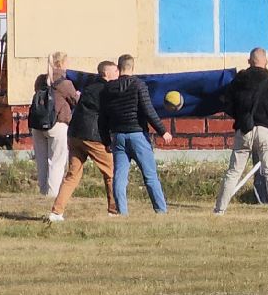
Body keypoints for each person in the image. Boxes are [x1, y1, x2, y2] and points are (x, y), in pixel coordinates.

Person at [215, 48, 268, 217]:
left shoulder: (238, 81)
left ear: (249, 61)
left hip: (244, 130)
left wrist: (241, 117)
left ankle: (219, 210)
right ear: (266, 62)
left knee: (233, 172)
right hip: (267, 131)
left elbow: (226, 103)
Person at [47, 60, 120, 222]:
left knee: (72, 175)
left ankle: (56, 212)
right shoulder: (108, 90)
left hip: (74, 134)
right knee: (111, 173)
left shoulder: (89, 88)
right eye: (115, 71)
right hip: (92, 136)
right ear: (106, 74)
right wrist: (109, 140)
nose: (118, 74)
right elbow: (107, 116)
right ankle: (114, 210)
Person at [102, 54, 172, 215]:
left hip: (118, 136)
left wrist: (107, 139)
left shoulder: (109, 88)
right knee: (150, 175)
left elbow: (104, 116)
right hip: (137, 134)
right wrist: (163, 131)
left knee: (119, 176)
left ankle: (123, 212)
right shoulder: (138, 85)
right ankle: (161, 210)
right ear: (132, 67)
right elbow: (148, 110)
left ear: (118, 68)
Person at [32, 52, 72, 198]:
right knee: (56, 161)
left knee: (41, 161)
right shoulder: (65, 83)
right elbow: (75, 100)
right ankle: (52, 194)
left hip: (37, 124)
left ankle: (42, 191)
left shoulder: (40, 80)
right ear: (61, 64)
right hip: (57, 124)